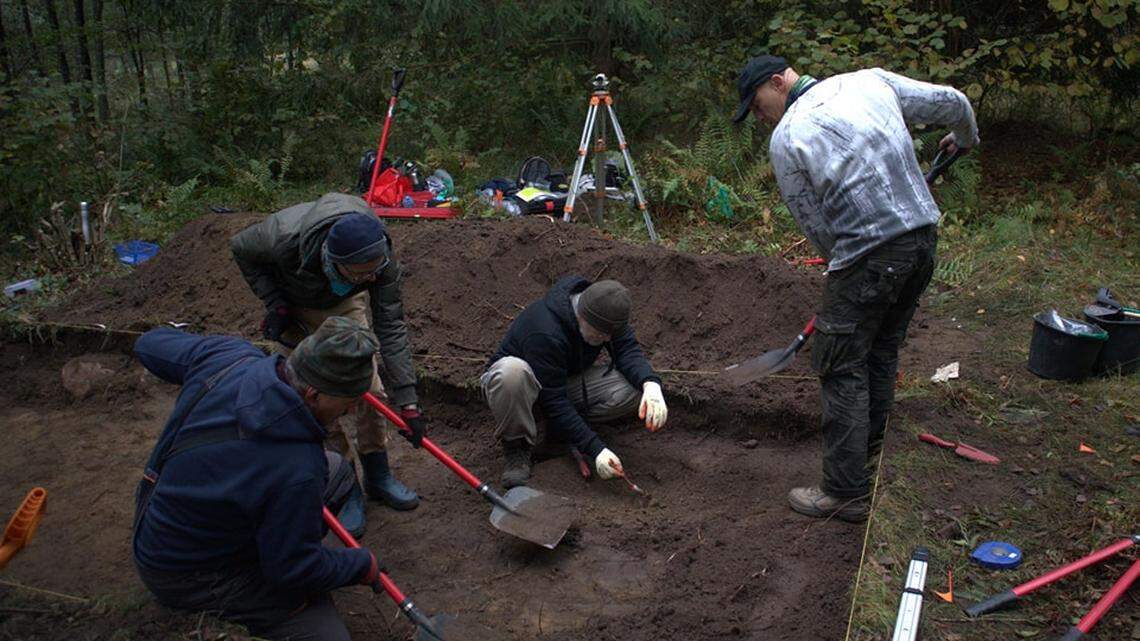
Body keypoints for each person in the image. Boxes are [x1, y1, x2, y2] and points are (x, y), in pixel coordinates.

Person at [731, 54, 979, 522]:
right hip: (922, 242)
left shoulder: (787, 138)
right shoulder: (869, 82)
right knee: (880, 349)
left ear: (778, 82)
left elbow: (816, 224)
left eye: (758, 104)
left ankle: (844, 491)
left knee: (839, 362)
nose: (760, 118)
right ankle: (871, 458)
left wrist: (842, 268)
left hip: (869, 255)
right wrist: (965, 139)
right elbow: (953, 102)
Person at [132, 317, 386, 641]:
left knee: (336, 470)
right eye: (349, 400)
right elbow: (290, 569)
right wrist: (362, 566)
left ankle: (280, 537)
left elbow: (148, 344)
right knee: (327, 634)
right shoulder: (296, 468)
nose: (351, 411)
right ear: (313, 393)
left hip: (163, 510)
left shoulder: (231, 356)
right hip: (183, 572)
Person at [230, 192, 426, 536]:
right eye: (362, 273)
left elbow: (390, 324)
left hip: (343, 301)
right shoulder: (282, 238)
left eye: (375, 273)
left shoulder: (378, 262)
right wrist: (275, 303)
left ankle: (377, 474)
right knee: (317, 397)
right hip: (296, 302)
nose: (371, 279)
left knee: (370, 389)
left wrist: (408, 400)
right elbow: (240, 249)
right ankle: (345, 482)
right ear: (332, 259)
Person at [482, 276, 668, 488]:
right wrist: (596, 448)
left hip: (559, 384)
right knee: (511, 373)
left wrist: (650, 385)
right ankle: (517, 446)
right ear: (581, 316)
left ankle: (560, 433)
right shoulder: (544, 331)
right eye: (601, 334)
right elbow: (554, 402)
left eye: (610, 335)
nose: (607, 340)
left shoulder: (605, 312)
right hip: (519, 392)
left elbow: (627, 350)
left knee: (632, 389)